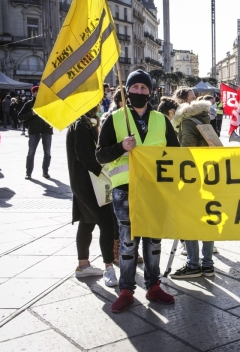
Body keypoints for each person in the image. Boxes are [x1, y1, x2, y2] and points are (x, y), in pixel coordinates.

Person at [96, 70, 179, 313]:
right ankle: (126, 290)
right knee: (128, 242)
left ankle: (153, 285)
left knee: (153, 241)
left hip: (155, 189)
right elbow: (100, 155)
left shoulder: (161, 120)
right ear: (127, 91)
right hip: (125, 189)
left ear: (150, 91)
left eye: (144, 88)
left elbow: (176, 154)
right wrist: (121, 147)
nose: (139, 92)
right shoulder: (114, 119)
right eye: (135, 88)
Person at [67, 104, 117, 287]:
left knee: (87, 222)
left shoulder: (83, 123)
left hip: (82, 182)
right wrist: (101, 171)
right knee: (106, 222)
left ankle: (83, 265)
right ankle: (109, 268)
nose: (100, 104)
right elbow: (84, 155)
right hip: (89, 183)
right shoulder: (81, 125)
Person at [169, 98, 216, 278]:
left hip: (191, 179)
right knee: (208, 220)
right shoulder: (206, 121)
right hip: (209, 177)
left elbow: (187, 151)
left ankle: (193, 264)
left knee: (188, 220)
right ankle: (208, 264)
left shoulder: (188, 123)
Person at [18, 86, 53, 179]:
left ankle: (45, 172)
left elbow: (54, 114)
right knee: (31, 152)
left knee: (47, 153)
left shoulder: (48, 103)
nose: (37, 93)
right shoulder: (29, 104)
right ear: (32, 93)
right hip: (34, 131)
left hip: (47, 130)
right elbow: (20, 116)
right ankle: (28, 173)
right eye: (35, 92)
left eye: (38, 92)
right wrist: (31, 113)